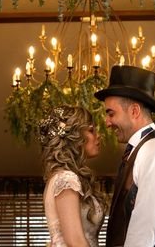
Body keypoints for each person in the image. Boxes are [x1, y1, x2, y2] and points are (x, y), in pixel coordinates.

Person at [94, 65, 155, 247]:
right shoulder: (139, 150)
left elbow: (147, 223)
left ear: (134, 111)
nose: (107, 122)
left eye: (111, 113)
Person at [39, 105, 106, 247]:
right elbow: (75, 241)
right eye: (91, 130)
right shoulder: (66, 179)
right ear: (75, 136)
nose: (98, 135)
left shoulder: (64, 177)